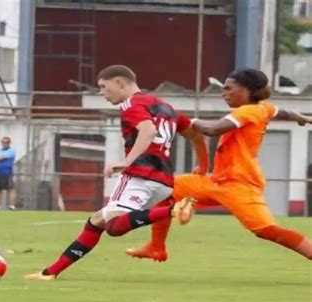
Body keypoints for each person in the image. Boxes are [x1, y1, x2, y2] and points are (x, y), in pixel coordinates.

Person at [24, 65, 209, 281]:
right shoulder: (167, 108)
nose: (102, 93)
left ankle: (174, 210)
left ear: (120, 82)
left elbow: (148, 130)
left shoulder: (132, 104)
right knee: (97, 222)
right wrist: (203, 165)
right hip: (164, 182)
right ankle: (50, 272)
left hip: (139, 176)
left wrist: (127, 161)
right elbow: (196, 135)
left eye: (104, 87)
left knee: (113, 226)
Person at [126, 68, 312, 261]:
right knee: (166, 191)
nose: (223, 93)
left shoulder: (248, 111)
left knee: (267, 231)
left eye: (229, 88)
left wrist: (185, 121)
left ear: (247, 91)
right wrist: (303, 119)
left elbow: (212, 129)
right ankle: (156, 248)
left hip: (239, 184)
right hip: (217, 181)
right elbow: (284, 112)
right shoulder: (263, 108)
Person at [0, 136, 16, 210]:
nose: (4, 143)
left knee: (11, 189)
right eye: (3, 142)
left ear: (9, 143)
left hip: (7, 172)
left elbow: (0, 158)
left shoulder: (11, 151)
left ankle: (12, 206)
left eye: (6, 142)